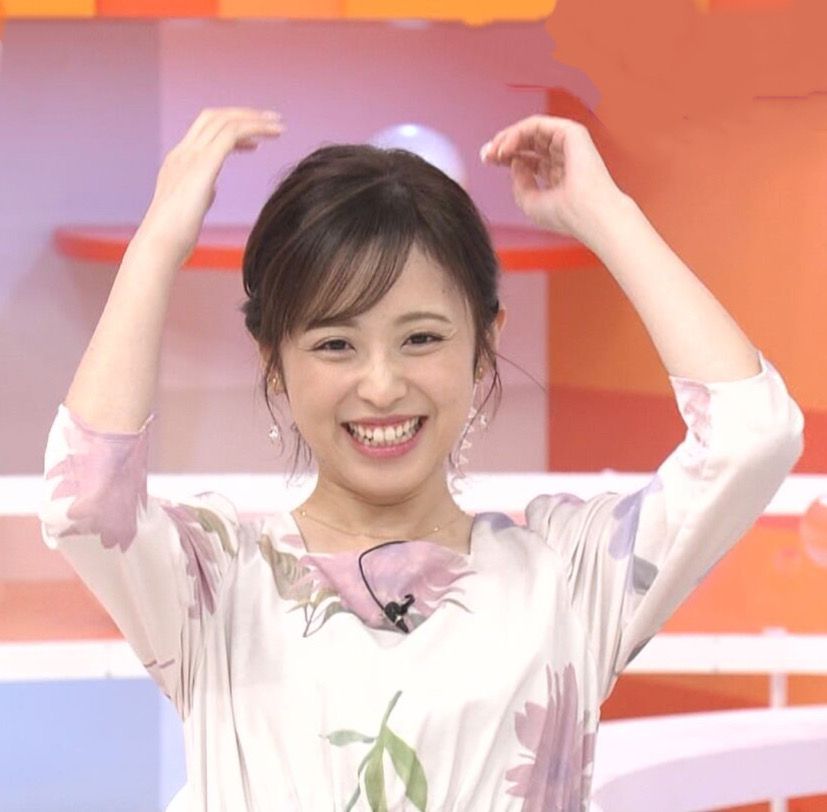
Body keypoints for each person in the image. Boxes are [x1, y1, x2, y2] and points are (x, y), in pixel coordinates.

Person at [39, 107, 803, 811]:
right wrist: (159, 241)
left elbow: (751, 436)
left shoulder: (566, 577)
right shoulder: (217, 582)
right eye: (335, 344)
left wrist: (607, 215)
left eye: (421, 338)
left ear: (484, 345)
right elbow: (86, 499)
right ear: (273, 362)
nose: (381, 385)